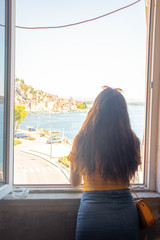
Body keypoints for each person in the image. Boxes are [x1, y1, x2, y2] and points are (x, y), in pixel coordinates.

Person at [68, 87, 141, 240]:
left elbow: (75, 182)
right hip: (126, 215)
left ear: (96, 109)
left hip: (92, 213)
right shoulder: (132, 140)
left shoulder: (82, 139)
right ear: (123, 113)